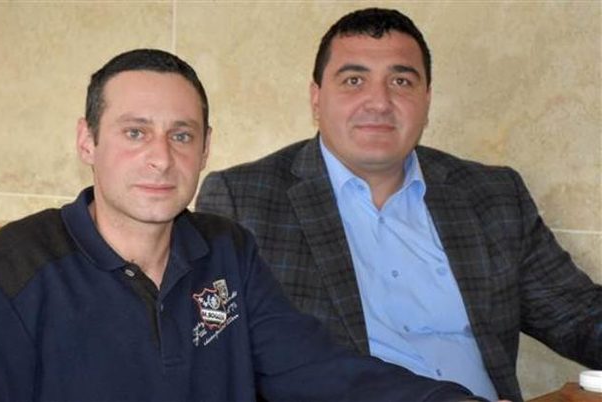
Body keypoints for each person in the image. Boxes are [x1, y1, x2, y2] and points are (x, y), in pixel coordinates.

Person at [0, 49, 484, 402]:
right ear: (87, 141)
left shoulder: (226, 251)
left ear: (206, 149)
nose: (161, 158)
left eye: (181, 135)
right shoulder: (11, 274)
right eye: (135, 132)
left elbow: (316, 370)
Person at [196, 8, 602, 402]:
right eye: (354, 80)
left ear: (427, 99)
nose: (379, 102)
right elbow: (229, 356)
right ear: (316, 98)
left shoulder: (492, 196)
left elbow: (577, 314)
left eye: (401, 81)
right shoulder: (244, 200)